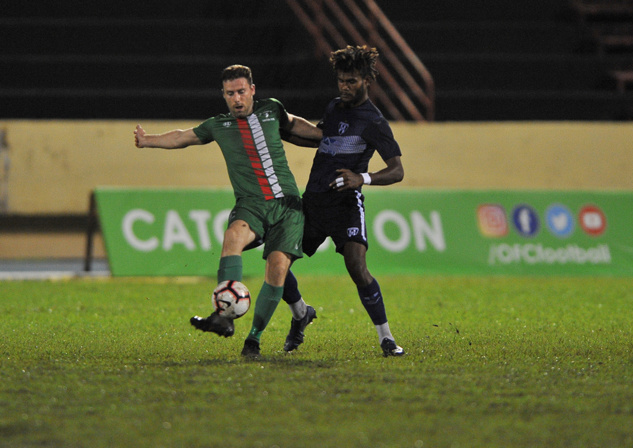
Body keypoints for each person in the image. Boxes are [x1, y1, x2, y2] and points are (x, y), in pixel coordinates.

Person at [134, 64, 322, 357]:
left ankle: (254, 339)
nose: (237, 99)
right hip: (251, 204)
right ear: (223, 95)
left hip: (287, 205)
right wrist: (148, 141)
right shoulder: (217, 125)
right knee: (233, 235)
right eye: (230, 93)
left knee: (277, 268)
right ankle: (224, 316)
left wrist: (326, 134)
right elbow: (182, 136)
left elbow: (294, 124)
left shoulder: (271, 109)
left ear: (252, 90)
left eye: (241, 92)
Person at [282, 45, 405, 357]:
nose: (344, 87)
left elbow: (397, 171)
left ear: (367, 81)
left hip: (346, 204)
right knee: (277, 263)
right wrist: (280, 132)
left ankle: (387, 339)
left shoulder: (374, 121)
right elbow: (320, 140)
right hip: (313, 202)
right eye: (341, 80)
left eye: (351, 81)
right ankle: (300, 313)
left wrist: (362, 178)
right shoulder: (334, 107)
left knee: (357, 267)